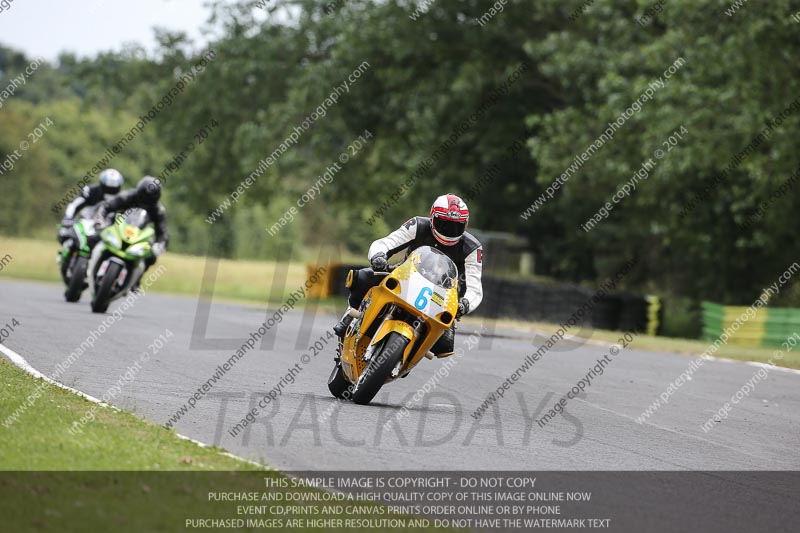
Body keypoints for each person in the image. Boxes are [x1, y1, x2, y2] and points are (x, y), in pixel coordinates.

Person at [333, 193, 483, 358]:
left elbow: (475, 287)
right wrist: (378, 256)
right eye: (443, 224)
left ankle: (412, 354)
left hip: (444, 296)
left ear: (465, 225)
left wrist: (466, 304)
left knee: (444, 345)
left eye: (456, 226)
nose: (449, 231)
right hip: (405, 276)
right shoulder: (418, 225)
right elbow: (386, 242)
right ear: (432, 217)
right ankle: (351, 315)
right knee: (361, 277)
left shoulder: (472, 248)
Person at [94, 176, 169, 283]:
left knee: (151, 256)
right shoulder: (127, 196)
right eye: (143, 197)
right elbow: (107, 206)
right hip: (116, 226)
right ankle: (84, 264)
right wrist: (100, 219)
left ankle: (137, 279)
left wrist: (160, 244)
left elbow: (163, 231)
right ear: (139, 192)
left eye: (149, 199)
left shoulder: (158, 210)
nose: (145, 201)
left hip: (138, 234)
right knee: (94, 236)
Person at [57, 168, 124, 243]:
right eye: (107, 188)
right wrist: (68, 217)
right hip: (84, 223)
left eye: (113, 189)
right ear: (102, 184)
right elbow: (74, 204)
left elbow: (126, 217)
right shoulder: (90, 191)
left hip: (107, 229)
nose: (110, 191)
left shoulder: (122, 198)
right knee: (66, 236)